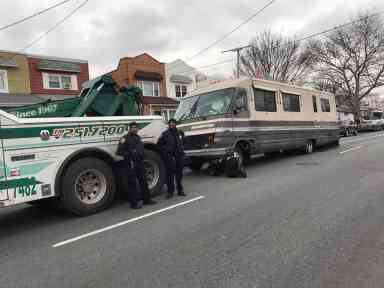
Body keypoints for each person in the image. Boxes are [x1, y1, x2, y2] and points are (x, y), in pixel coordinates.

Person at [117, 122, 156, 209]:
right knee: (132, 184)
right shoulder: (124, 138)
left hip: (140, 162)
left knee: (143, 181)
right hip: (131, 163)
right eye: (133, 127)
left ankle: (147, 200)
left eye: (136, 127)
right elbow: (120, 152)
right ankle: (134, 204)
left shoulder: (138, 138)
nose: (135, 129)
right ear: (129, 129)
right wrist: (131, 153)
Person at [158, 118, 186, 198]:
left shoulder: (180, 133)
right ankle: (170, 192)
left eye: (173, 123)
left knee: (179, 175)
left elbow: (184, 141)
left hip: (179, 156)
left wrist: (182, 149)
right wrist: (166, 152)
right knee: (170, 176)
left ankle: (180, 190)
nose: (171, 124)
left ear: (175, 124)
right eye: (170, 123)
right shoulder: (165, 134)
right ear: (168, 124)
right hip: (170, 157)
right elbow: (159, 144)